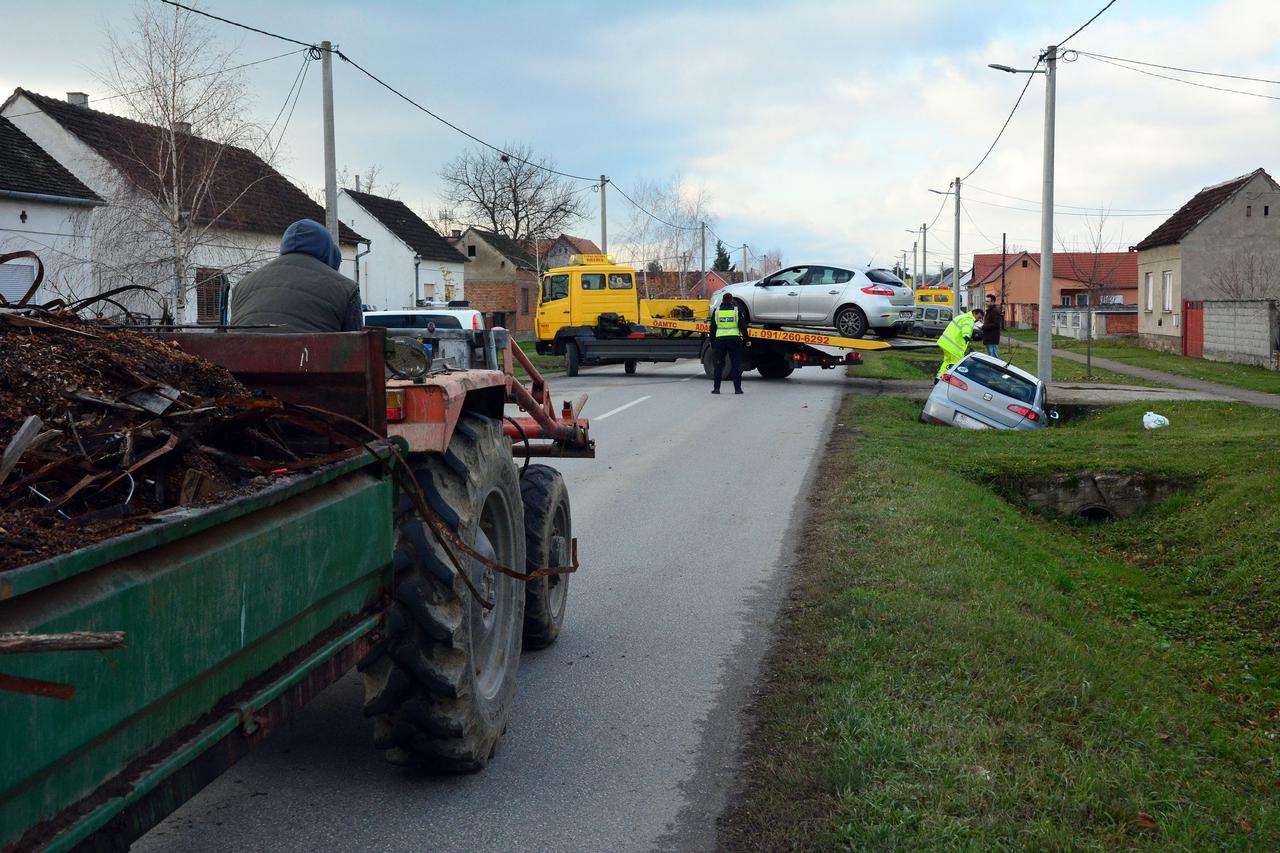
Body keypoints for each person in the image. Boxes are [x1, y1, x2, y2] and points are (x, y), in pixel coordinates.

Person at [229, 219, 362, 332]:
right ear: (329, 253)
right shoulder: (346, 289)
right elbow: (357, 346)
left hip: (242, 354)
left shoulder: (241, 286)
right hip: (309, 355)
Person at [710, 290, 748, 394]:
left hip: (720, 341)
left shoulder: (717, 312)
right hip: (734, 340)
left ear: (722, 300)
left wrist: (712, 342)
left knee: (718, 365)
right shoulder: (736, 312)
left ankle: (716, 389)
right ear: (731, 301)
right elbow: (743, 327)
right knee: (736, 365)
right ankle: (738, 389)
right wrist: (747, 340)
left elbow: (712, 328)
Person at [936, 306, 984, 381]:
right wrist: (967, 336)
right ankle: (946, 380)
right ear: (974, 313)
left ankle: (939, 378)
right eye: (979, 317)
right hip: (954, 347)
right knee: (955, 364)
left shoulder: (962, 316)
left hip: (946, 343)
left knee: (947, 362)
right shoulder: (969, 319)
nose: (978, 320)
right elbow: (967, 328)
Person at [982, 293, 1003, 358]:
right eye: (986, 301)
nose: (986, 303)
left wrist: (983, 327)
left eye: (988, 301)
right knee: (990, 358)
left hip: (992, 339)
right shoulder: (989, 311)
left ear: (993, 302)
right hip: (988, 338)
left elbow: (996, 324)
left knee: (994, 358)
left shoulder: (995, 311)